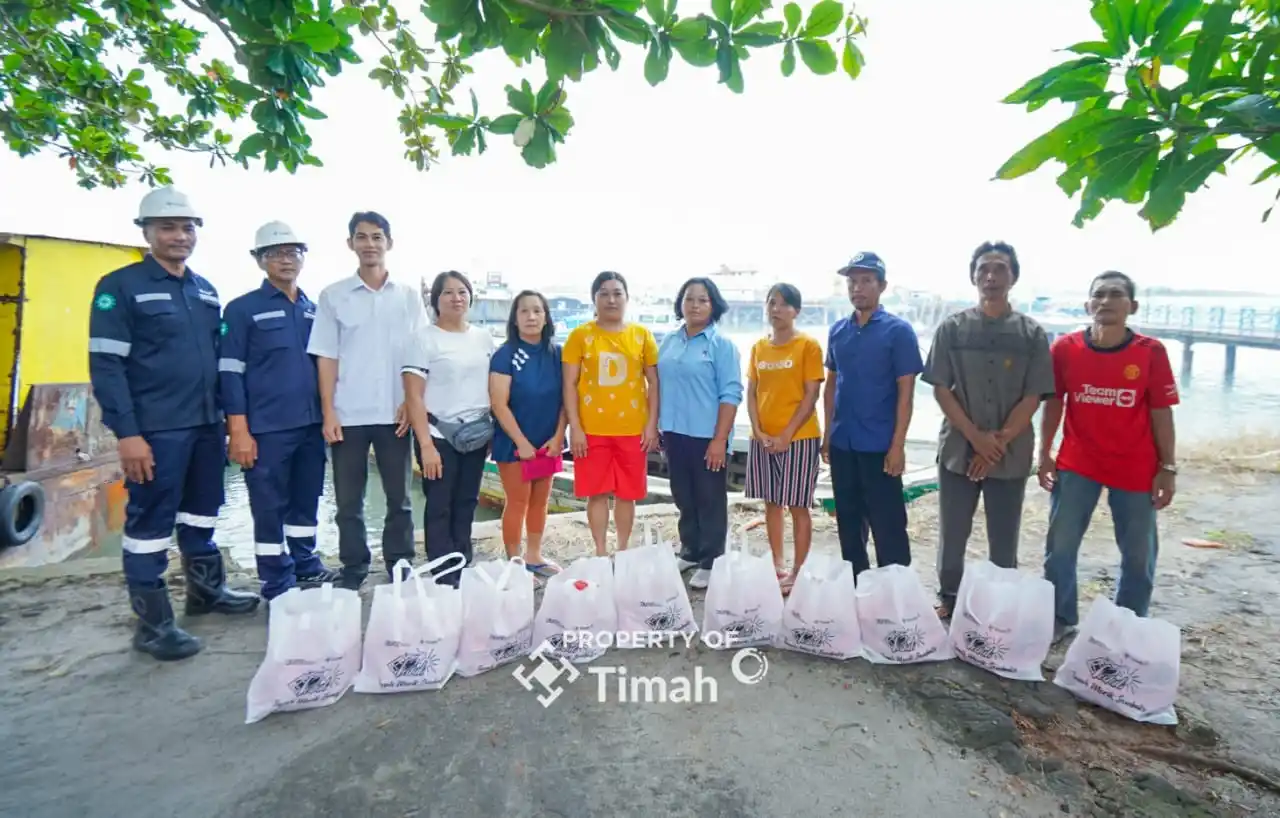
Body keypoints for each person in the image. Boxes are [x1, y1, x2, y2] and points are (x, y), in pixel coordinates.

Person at [88, 186, 259, 662]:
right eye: (168, 227)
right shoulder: (119, 287)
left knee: (202, 512)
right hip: (156, 429)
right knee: (149, 524)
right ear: (146, 232)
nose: (180, 236)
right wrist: (128, 434)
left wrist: (229, 423)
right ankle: (152, 624)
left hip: (205, 424)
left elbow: (220, 361)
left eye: (187, 228)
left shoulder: (204, 291)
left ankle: (205, 593)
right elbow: (106, 366)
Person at [1039, 271, 1178, 642]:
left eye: (1116, 294)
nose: (1106, 301)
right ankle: (1060, 617)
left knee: (1138, 558)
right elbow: (1054, 403)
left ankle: (1125, 626)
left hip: (1135, 467)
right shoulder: (1066, 348)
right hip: (1078, 462)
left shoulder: (1150, 352)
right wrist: (1044, 452)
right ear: (1087, 305)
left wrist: (1168, 467)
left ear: (1131, 306)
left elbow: (1162, 411)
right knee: (1060, 548)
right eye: (1098, 295)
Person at [922, 241, 1055, 620]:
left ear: (1013, 277)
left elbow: (1034, 395)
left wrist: (996, 443)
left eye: (1000, 269)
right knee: (953, 532)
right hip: (958, 449)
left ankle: (1001, 603)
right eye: (983, 269)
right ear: (973, 276)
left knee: (1004, 535)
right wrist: (976, 439)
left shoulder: (1031, 334)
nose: (991, 276)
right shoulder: (952, 329)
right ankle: (949, 597)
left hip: (1009, 454)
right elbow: (941, 389)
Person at [219, 222, 341, 604]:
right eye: (275, 253)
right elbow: (229, 372)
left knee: (306, 500)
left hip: (310, 426)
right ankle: (277, 583)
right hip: (266, 429)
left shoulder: (314, 311)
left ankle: (306, 564)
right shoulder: (242, 311)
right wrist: (238, 429)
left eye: (293, 252)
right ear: (259, 261)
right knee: (269, 506)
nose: (286, 260)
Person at [307, 211, 428, 590]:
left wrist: (412, 402)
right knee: (348, 501)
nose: (370, 244)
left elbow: (420, 355)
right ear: (351, 244)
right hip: (348, 413)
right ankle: (354, 566)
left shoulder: (408, 298)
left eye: (377, 237)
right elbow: (326, 356)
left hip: (395, 412)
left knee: (399, 498)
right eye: (362, 237)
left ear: (389, 243)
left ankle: (400, 561)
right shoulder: (334, 297)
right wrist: (328, 410)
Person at [822, 252, 923, 578]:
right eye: (852, 282)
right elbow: (831, 385)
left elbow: (906, 394)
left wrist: (898, 446)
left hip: (879, 445)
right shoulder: (839, 330)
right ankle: (856, 587)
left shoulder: (898, 332)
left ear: (882, 286)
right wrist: (827, 436)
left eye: (866, 280)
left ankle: (896, 593)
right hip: (843, 442)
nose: (858, 288)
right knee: (849, 523)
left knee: (888, 524)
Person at [402, 271, 495, 586]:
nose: (456, 298)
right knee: (440, 502)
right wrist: (425, 445)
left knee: (467, 499)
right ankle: (443, 569)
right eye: (448, 292)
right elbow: (413, 396)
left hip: (477, 434)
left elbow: (492, 388)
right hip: (439, 436)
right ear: (436, 300)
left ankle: (462, 557)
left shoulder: (483, 338)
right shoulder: (423, 339)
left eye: (462, 291)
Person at [562, 272, 660, 556]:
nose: (611, 299)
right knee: (597, 492)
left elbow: (653, 382)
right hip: (592, 430)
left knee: (627, 494)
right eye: (603, 293)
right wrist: (575, 427)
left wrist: (651, 425)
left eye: (617, 293)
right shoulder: (580, 336)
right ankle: (601, 551)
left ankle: (624, 548)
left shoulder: (642, 336)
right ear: (594, 299)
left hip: (632, 430)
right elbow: (569, 384)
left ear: (627, 298)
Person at [657, 277, 744, 589]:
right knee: (683, 494)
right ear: (681, 303)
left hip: (708, 436)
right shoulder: (668, 342)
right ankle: (690, 549)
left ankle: (712, 559)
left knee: (710, 498)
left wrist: (720, 440)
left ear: (713, 305)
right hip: (674, 432)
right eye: (689, 299)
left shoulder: (721, 346)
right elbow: (656, 385)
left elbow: (731, 394)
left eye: (703, 300)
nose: (695, 305)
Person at [745, 283, 824, 593]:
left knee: (798, 505)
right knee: (772, 503)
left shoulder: (808, 346)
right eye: (771, 303)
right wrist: (759, 430)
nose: (775, 309)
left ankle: (798, 570)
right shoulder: (758, 348)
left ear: (796, 311)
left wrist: (787, 434)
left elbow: (811, 394)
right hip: (763, 438)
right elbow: (751, 392)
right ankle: (777, 564)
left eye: (782, 304)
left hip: (799, 438)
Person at [489, 290, 567, 577]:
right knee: (518, 501)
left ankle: (534, 555)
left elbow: (567, 400)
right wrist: (521, 442)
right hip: (514, 443)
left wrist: (559, 436)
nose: (531, 317)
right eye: (524, 311)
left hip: (548, 441)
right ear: (515, 318)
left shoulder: (559, 354)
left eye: (537, 310)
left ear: (546, 316)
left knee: (540, 500)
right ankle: (515, 563)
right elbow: (498, 403)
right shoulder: (505, 354)